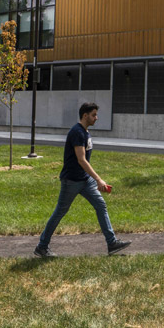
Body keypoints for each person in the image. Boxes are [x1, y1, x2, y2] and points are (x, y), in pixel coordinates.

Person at [34, 102, 131, 257]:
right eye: (93, 115)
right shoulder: (77, 132)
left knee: (101, 205)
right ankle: (42, 246)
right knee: (60, 212)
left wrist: (94, 180)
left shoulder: (85, 132)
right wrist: (99, 179)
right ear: (85, 115)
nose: (96, 118)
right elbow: (81, 160)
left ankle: (112, 243)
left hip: (85, 180)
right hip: (71, 181)